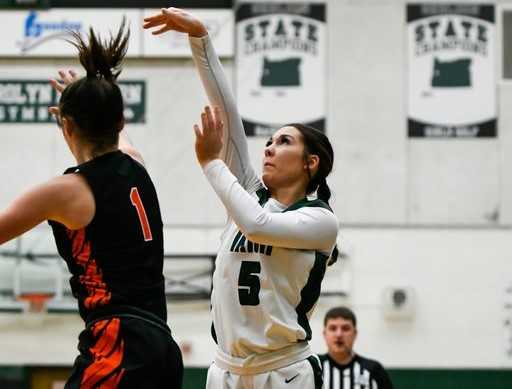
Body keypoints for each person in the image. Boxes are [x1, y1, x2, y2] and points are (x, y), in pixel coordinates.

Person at [144, 8, 339, 389]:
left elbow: (257, 225)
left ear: (310, 163)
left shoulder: (320, 221)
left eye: (283, 141)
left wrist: (210, 163)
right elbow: (228, 116)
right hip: (225, 370)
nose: (268, 147)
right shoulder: (249, 193)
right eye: (267, 140)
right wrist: (200, 37)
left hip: (284, 370)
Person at [0, 21, 183, 388]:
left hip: (119, 343)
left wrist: (86, 95)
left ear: (66, 126)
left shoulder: (67, 191)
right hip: (163, 348)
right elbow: (115, 132)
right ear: (120, 121)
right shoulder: (136, 165)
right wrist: (93, 92)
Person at [319, 307, 393, 389]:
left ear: (355, 333)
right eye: (333, 328)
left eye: (345, 328)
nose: (339, 334)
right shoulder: (314, 367)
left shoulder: (374, 370)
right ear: (324, 334)